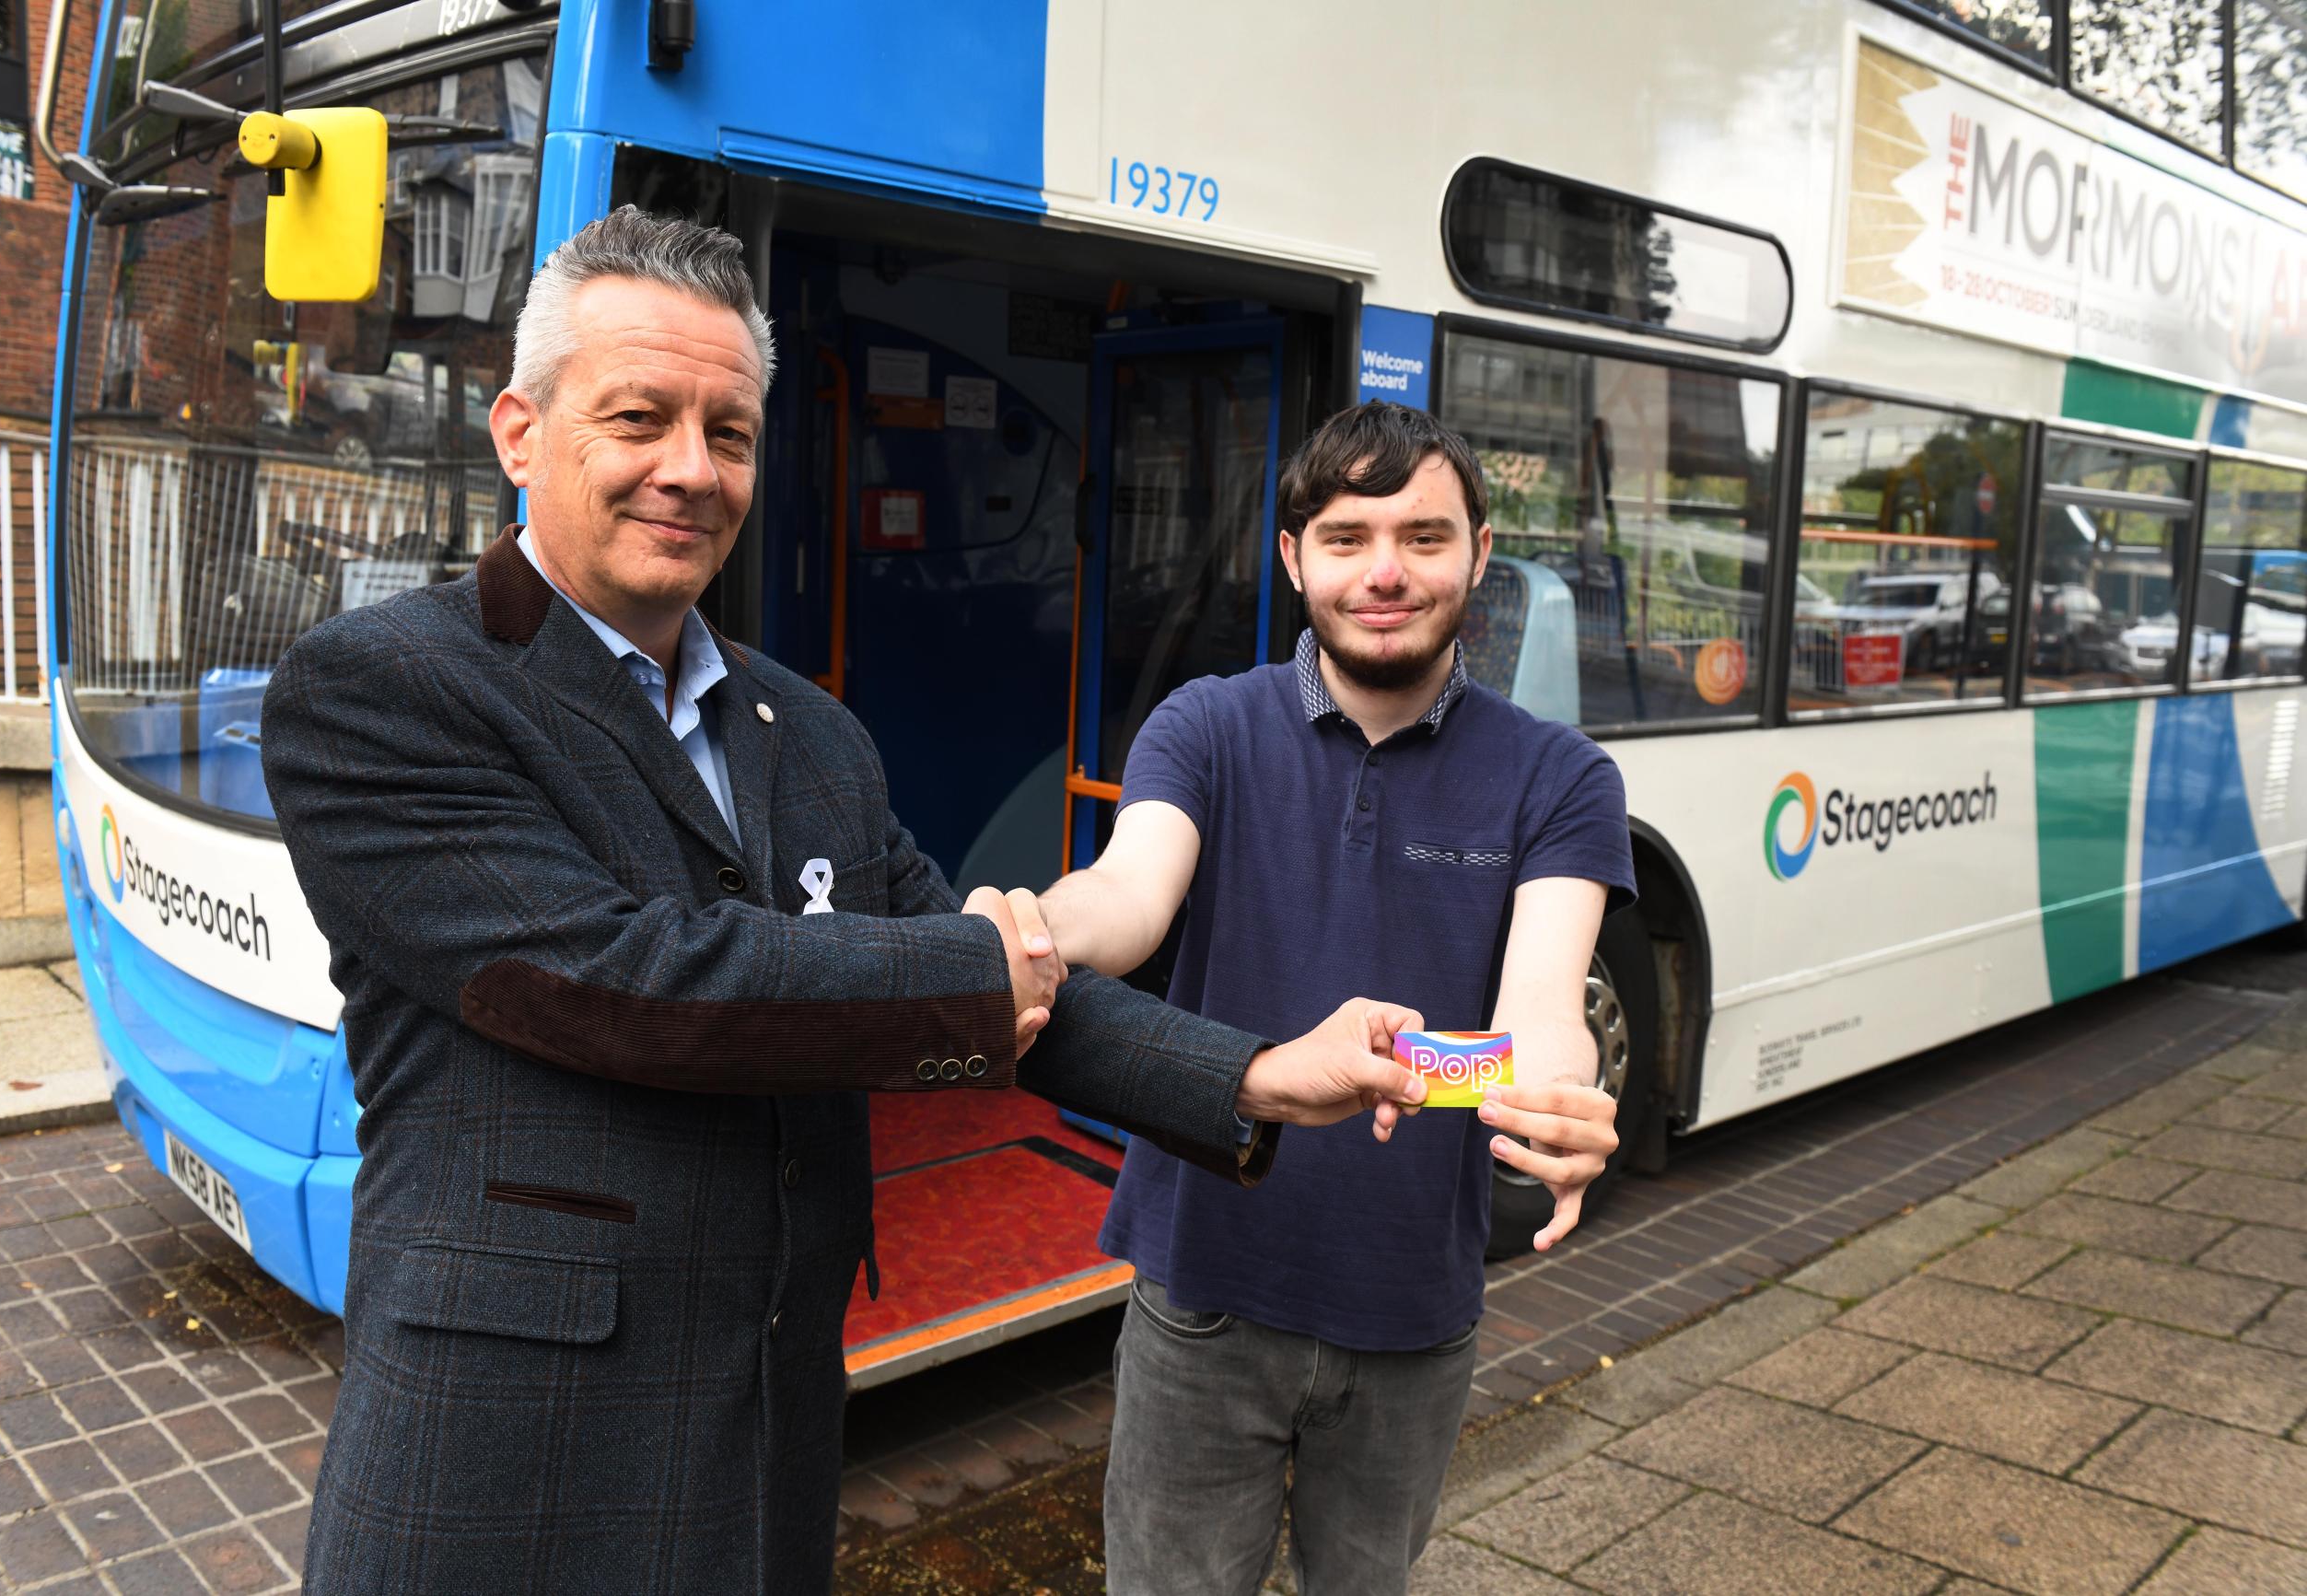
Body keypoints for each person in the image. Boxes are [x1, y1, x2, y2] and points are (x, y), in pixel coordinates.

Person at [258, 208, 1430, 1596]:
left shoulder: (812, 734)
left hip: (768, 1430)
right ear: (520, 431)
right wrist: (976, 973)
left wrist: (1254, 1070)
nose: (689, 470)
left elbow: (992, 1010)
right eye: (639, 417)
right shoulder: (381, 687)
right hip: (510, 1455)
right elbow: (629, 983)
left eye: (732, 432)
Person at [1035, 402, 1634, 1596]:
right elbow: (1130, 894)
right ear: (1295, 557)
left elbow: (1536, 1023)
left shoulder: (1560, 777)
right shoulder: (1206, 725)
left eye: (1424, 536)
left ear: (1479, 552)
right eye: (1349, 537)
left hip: (1412, 1315)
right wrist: (1033, 927)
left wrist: (1556, 1096)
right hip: (1201, 1292)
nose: (1386, 572)